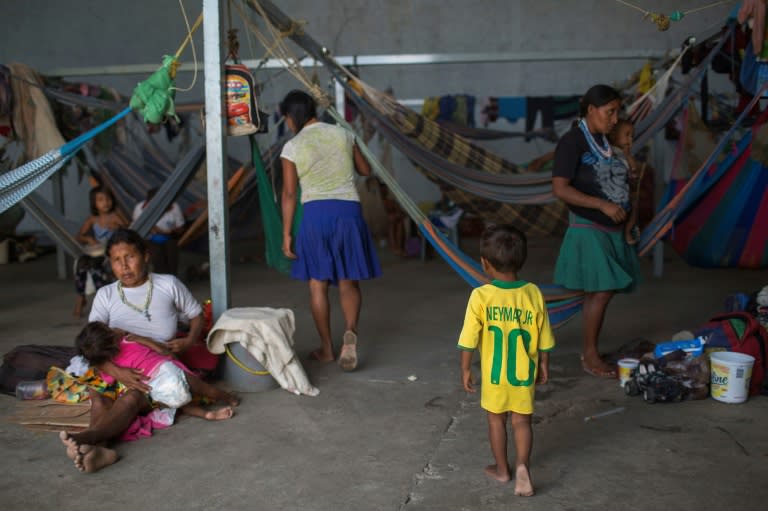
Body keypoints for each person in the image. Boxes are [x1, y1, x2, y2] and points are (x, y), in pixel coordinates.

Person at [59, 228, 218, 472]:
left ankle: (89, 441)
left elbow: (196, 317)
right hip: (112, 365)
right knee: (99, 398)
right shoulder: (106, 295)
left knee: (132, 397)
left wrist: (187, 342)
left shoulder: (168, 284)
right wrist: (117, 371)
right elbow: (93, 343)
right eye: (116, 260)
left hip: (154, 368)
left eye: (130, 257)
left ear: (145, 255)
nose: (124, 266)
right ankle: (99, 449)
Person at [279, 89, 382, 371]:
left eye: (286, 119)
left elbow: (288, 194)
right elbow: (365, 170)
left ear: (292, 117)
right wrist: (351, 144)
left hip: (315, 216)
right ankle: (351, 332)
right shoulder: (342, 134)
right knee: (349, 281)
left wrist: (287, 234)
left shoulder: (293, 146)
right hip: (348, 212)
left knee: (318, 283)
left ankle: (327, 349)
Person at [457, 224, 554, 495]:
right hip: (524, 374)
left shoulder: (481, 296)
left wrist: (465, 368)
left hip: (495, 377)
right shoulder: (533, 293)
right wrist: (544, 363)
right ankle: (523, 465)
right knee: (522, 422)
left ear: (484, 264)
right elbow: (544, 333)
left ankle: (502, 469)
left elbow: (468, 338)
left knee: (495, 421)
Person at [551, 84, 640, 378]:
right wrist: (601, 204)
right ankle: (590, 355)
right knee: (601, 291)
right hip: (588, 228)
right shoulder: (572, 142)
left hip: (611, 229)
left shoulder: (606, 142)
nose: (615, 119)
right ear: (591, 110)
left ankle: (590, 351)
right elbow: (560, 188)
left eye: (618, 112)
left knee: (600, 293)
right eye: (609, 112)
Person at [75, 321, 238, 422]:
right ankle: (228, 398)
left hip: (153, 387)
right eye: (109, 328)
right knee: (203, 388)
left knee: (179, 403)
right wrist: (143, 340)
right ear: (111, 337)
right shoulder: (130, 339)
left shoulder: (111, 366)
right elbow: (160, 350)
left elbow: (109, 380)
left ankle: (206, 415)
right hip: (167, 370)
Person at [73, 186, 128, 318]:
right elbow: (79, 236)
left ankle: (102, 301)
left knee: (95, 267)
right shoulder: (93, 219)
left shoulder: (115, 215)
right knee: (81, 264)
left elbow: (130, 229)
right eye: (101, 200)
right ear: (94, 203)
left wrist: (119, 227)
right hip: (97, 252)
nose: (106, 202)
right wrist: (88, 238)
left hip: (112, 252)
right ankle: (80, 298)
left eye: (108, 199)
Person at [132, 187, 186, 276]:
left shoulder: (173, 206)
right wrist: (153, 229)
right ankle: (162, 280)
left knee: (172, 250)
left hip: (170, 237)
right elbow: (137, 229)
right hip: (147, 238)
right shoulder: (140, 208)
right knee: (157, 253)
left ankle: (173, 278)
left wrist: (171, 231)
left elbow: (181, 227)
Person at [607, 119, 641, 245]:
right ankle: (626, 232)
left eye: (632, 136)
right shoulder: (608, 151)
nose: (630, 140)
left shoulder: (626, 154)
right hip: (613, 195)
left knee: (635, 205)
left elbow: (633, 169)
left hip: (625, 195)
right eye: (626, 135)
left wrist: (628, 156)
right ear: (614, 135)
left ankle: (628, 231)